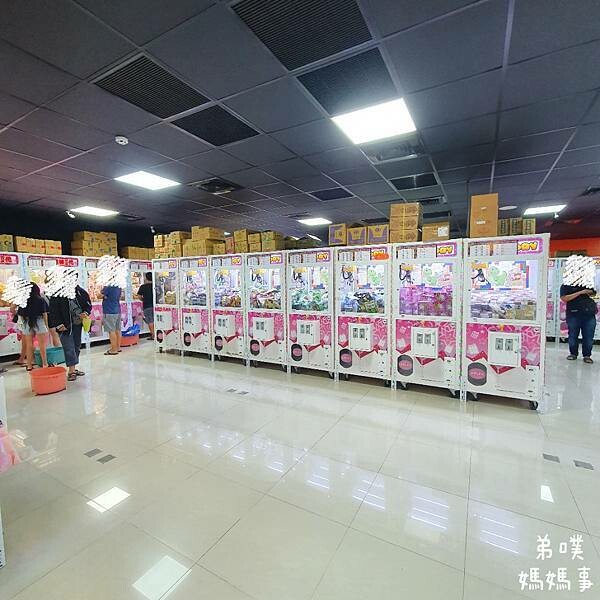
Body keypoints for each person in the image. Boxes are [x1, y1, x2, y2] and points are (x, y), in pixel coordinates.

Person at [49, 284, 92, 382]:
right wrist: (58, 324)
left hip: (77, 324)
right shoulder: (57, 292)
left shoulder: (80, 291)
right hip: (64, 326)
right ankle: (71, 371)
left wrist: (86, 312)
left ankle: (73, 368)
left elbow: (88, 304)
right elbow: (53, 311)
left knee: (76, 346)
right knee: (68, 347)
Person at [560, 281, 597, 364]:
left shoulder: (587, 282)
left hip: (589, 314)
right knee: (573, 335)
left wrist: (588, 292)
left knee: (589, 336)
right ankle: (573, 353)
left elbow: (593, 293)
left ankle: (587, 355)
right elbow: (564, 298)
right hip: (573, 314)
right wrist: (580, 292)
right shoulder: (566, 284)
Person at [17, 283, 48, 371]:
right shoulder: (41, 300)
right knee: (42, 345)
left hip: (27, 322)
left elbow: (20, 314)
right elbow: (44, 314)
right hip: (39, 321)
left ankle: (29, 365)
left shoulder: (23, 300)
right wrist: (46, 325)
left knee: (29, 345)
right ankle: (45, 364)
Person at [101, 284, 122, 355]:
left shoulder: (107, 287)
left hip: (109, 311)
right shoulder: (118, 287)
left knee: (111, 331)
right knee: (117, 330)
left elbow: (99, 296)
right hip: (117, 310)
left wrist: (104, 296)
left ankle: (113, 349)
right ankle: (118, 347)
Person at [135, 272, 154, 340]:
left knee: (150, 321)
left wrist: (144, 299)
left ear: (146, 278)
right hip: (155, 306)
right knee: (156, 320)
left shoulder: (143, 286)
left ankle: (153, 335)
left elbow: (139, 296)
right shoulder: (155, 285)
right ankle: (158, 335)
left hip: (147, 306)